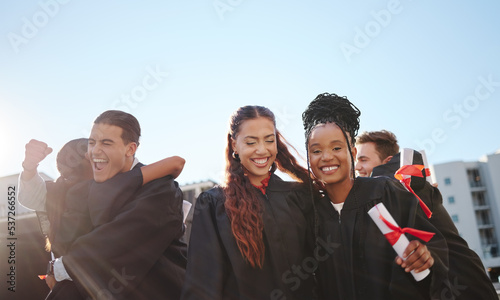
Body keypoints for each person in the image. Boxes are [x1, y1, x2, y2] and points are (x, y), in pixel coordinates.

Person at [20, 110, 187, 299]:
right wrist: (29, 167)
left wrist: (59, 268)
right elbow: (34, 196)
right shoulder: (87, 189)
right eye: (92, 143)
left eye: (106, 143)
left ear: (130, 149)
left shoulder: (159, 188)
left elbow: (118, 240)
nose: (95, 151)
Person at [302, 93, 452, 300]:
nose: (327, 156)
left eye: (336, 148)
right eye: (316, 150)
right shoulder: (309, 213)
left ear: (352, 153)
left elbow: (433, 246)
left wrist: (427, 256)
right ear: (308, 157)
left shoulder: (385, 192)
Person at [182, 105, 316, 300]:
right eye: (251, 142)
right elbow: (203, 280)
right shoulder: (215, 203)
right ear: (234, 145)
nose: (262, 150)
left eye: (269, 140)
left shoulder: (299, 196)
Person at [355, 130, 499, 299]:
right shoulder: (410, 186)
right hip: (469, 283)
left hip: (461, 288)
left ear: (388, 162)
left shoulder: (396, 187)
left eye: (363, 160)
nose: (357, 167)